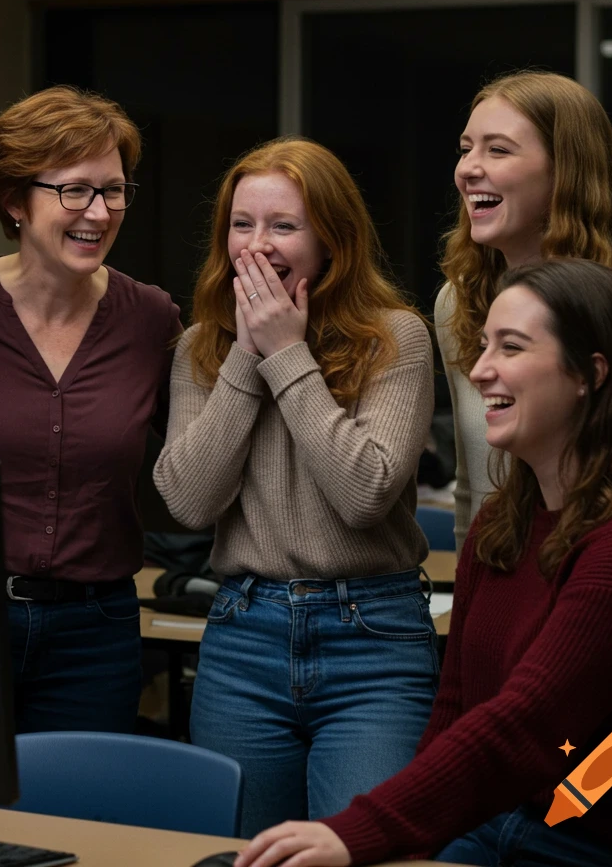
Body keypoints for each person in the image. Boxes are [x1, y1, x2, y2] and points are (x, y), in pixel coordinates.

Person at [236, 259, 612, 867]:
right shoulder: (502, 523)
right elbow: (456, 713)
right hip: (500, 824)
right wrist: (409, 837)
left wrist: (359, 830)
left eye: (511, 347)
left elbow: (529, 723)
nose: (480, 372)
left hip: (609, 844)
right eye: (482, 347)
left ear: (590, 373)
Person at [153, 138, 437, 837]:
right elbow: (187, 502)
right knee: (246, 852)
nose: (258, 245)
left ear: (332, 238)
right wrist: (246, 359)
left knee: (363, 847)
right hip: (243, 634)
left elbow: (365, 493)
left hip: (372, 638)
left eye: (284, 225)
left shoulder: (395, 338)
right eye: (242, 224)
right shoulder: (202, 346)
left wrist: (287, 353)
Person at [0, 86, 180, 734]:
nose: (99, 211)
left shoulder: (151, 318)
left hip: (98, 631)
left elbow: (201, 470)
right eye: (74, 190)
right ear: (14, 202)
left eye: (114, 190)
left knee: (79, 821)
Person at [436, 69, 612, 556]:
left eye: (498, 149)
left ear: (565, 170)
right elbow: (472, 488)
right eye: (466, 148)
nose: (468, 168)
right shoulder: (462, 298)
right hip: (504, 586)